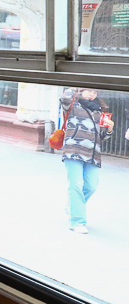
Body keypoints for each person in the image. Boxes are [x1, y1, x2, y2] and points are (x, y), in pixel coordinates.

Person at [59, 88, 113, 234]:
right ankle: (77, 221)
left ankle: (72, 206)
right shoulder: (72, 106)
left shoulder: (99, 111)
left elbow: (102, 137)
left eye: (95, 92)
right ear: (80, 91)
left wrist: (109, 130)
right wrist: (75, 85)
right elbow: (64, 97)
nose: (91, 94)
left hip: (93, 154)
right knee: (76, 184)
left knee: (91, 186)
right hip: (74, 150)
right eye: (88, 90)